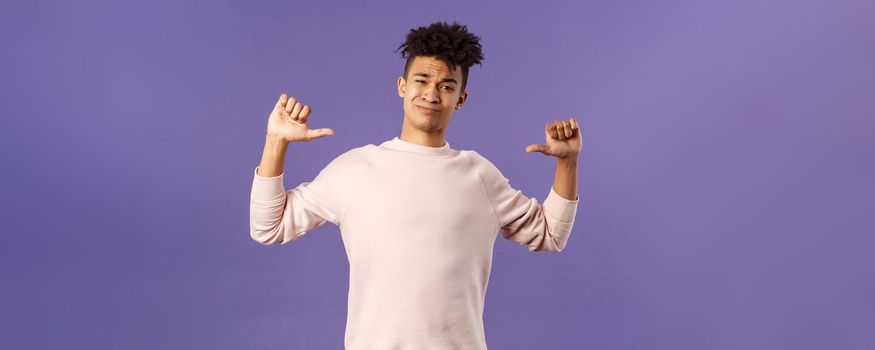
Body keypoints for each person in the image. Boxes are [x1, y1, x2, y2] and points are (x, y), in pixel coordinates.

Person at [250, 21, 581, 349]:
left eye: (447, 86)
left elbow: (551, 233)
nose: (431, 94)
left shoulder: (478, 174)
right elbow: (269, 226)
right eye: (422, 80)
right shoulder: (357, 168)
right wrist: (276, 142)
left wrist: (567, 162)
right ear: (402, 86)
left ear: (461, 98)